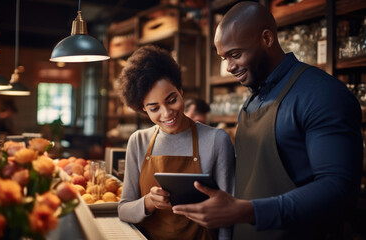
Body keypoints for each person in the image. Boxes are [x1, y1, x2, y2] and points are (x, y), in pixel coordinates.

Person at [172, 2, 363, 240]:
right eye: (224, 57)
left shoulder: (322, 94)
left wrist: (248, 211)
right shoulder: (251, 101)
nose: (229, 67)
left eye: (235, 54)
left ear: (267, 38)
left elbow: (339, 189)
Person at [117, 45, 235, 240]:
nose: (167, 113)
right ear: (143, 109)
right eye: (154, 108)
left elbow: (229, 214)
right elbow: (124, 209)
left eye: (171, 100)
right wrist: (148, 202)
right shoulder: (138, 141)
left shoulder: (216, 140)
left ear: (181, 91)